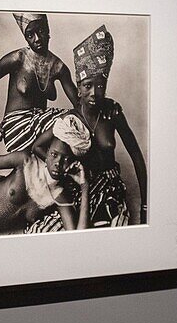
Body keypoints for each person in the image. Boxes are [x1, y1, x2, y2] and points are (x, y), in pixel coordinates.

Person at [28, 25, 148, 228]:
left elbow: (136, 155)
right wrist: (65, 171)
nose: (94, 92)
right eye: (87, 86)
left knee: (113, 232)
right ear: (78, 88)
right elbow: (37, 147)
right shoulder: (70, 120)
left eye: (100, 86)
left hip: (110, 188)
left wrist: (145, 205)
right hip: (82, 188)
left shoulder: (112, 114)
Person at [0, 113, 91, 236]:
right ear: (47, 152)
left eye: (66, 159)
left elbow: (77, 236)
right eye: (54, 154)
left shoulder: (61, 197)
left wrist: (85, 187)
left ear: (74, 164)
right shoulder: (25, 161)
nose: (58, 163)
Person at [0, 13, 79, 152]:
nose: (37, 39)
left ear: (48, 31)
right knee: (64, 121)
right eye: (30, 35)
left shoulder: (58, 66)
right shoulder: (19, 58)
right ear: (26, 38)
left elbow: (78, 103)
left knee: (74, 121)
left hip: (41, 126)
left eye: (41, 31)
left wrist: (105, 105)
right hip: (16, 127)